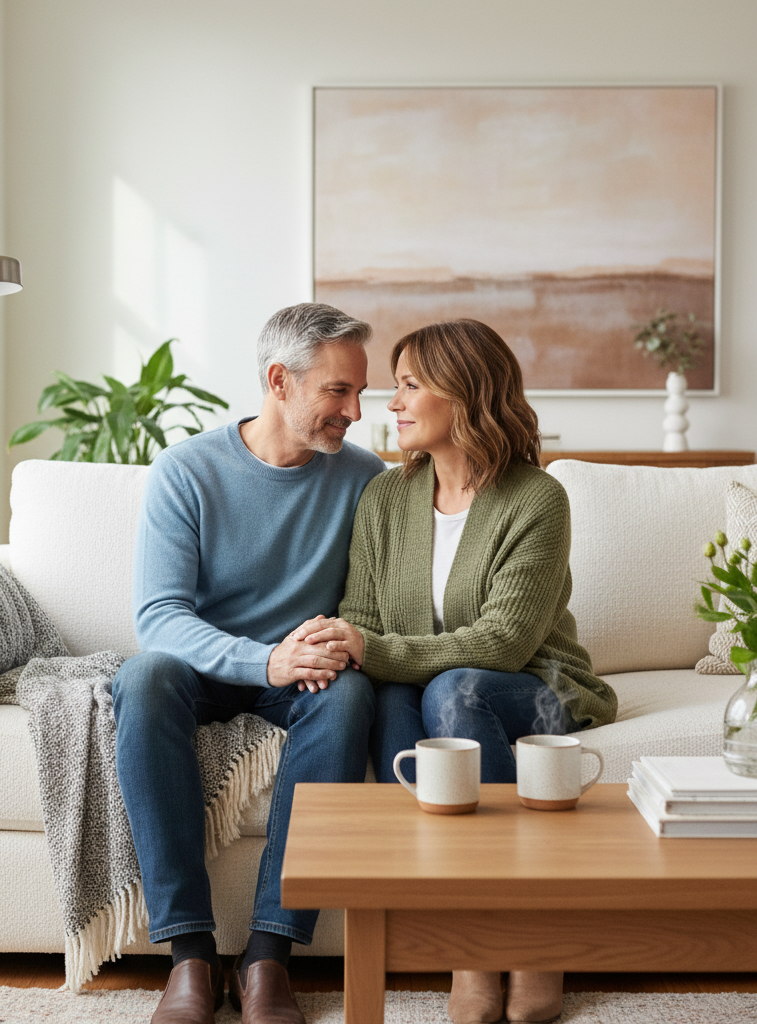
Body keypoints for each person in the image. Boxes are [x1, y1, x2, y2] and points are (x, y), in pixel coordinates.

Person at [290, 319, 617, 1024]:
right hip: (426, 690)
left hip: (536, 691)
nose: (393, 403)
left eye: (409, 385)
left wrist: (373, 648)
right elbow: (363, 617)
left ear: (464, 394)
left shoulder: (537, 498)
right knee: (397, 710)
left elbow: (502, 641)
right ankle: (470, 942)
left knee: (456, 686)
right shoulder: (383, 497)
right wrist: (352, 645)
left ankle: (523, 940)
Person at [112, 302, 384, 1024]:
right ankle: (190, 956)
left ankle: (269, 954)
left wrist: (329, 645)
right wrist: (267, 660)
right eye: (338, 391)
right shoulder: (186, 472)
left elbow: (376, 602)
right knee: (143, 676)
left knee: (352, 697)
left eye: (360, 391)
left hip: (305, 678)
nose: (355, 410)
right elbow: (159, 619)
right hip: (212, 670)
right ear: (279, 381)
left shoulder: (365, 479)